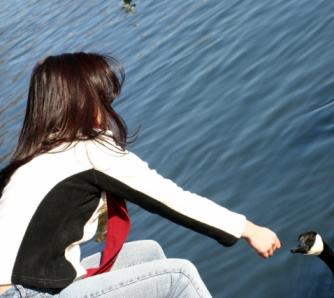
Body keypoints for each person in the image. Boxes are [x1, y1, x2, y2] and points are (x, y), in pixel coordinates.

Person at [0, 52, 281, 297]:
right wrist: (248, 229)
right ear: (82, 101)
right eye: (102, 95)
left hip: (28, 286)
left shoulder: (30, 158)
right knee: (179, 278)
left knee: (147, 253)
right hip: (29, 293)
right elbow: (172, 199)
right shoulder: (87, 150)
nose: (107, 106)